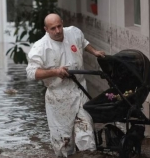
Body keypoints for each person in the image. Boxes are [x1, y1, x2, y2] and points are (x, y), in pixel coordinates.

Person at [26, 13, 105, 157]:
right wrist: (55, 72)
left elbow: (84, 42)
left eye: (59, 26)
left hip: (79, 90)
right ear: (46, 29)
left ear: (62, 23)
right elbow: (32, 73)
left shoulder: (74, 32)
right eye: (53, 28)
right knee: (64, 141)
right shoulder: (40, 47)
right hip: (58, 96)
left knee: (86, 134)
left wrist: (95, 52)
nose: (57, 31)